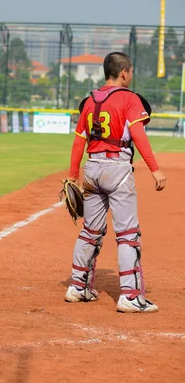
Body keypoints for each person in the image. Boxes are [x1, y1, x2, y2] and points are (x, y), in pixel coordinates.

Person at [65, 51, 167, 313]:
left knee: (91, 231)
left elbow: (79, 141)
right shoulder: (129, 99)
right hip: (117, 169)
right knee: (128, 235)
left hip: (92, 169)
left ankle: (78, 287)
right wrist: (154, 169)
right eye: (130, 71)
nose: (130, 75)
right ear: (124, 72)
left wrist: (73, 175)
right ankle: (131, 297)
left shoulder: (89, 100)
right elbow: (138, 135)